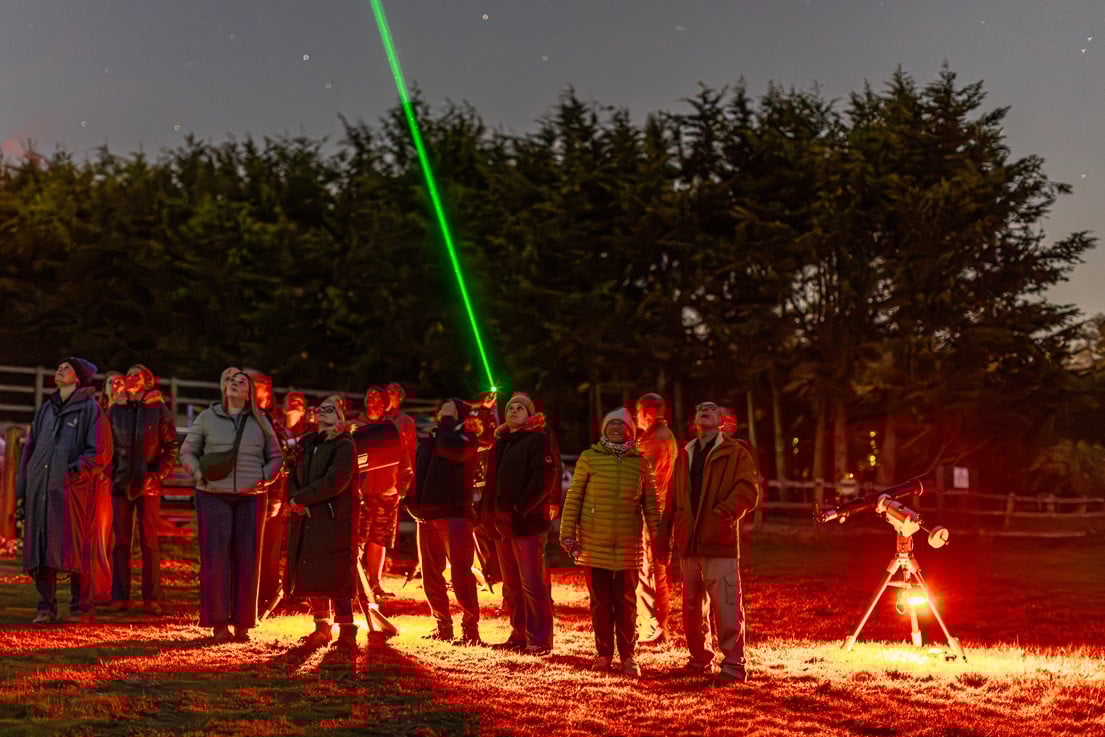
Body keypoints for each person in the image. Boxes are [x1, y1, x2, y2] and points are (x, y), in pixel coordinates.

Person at [657, 400, 760, 683]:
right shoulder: (684, 456)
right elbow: (672, 500)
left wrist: (722, 514)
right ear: (694, 421)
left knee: (726, 606)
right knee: (692, 608)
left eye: (712, 409)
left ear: (721, 421)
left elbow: (748, 491)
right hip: (688, 544)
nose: (704, 410)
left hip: (720, 542)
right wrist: (665, 536)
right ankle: (699, 659)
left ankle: (734, 665)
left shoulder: (735, 453)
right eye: (700, 408)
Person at [180, 370, 282, 641]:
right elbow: (187, 451)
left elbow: (276, 456)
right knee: (215, 559)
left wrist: (263, 477)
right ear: (223, 387)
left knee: (248, 559)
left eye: (242, 383)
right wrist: (197, 473)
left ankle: (244, 622)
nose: (236, 385)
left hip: (251, 497)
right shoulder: (207, 417)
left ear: (250, 392)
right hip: (213, 494)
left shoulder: (260, 421)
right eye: (231, 381)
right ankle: (218, 622)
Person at [560, 408, 659, 677]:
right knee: (600, 602)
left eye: (622, 425)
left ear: (631, 430)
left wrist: (660, 539)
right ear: (603, 429)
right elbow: (574, 498)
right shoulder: (589, 459)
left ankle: (628, 656)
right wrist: (567, 532)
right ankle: (603, 654)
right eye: (611, 424)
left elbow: (651, 505)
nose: (616, 428)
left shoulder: (640, 463)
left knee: (627, 603)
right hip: (594, 545)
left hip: (628, 546)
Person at [16, 357, 113, 624]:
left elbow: (100, 453)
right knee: (41, 546)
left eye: (66, 368)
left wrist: (73, 472)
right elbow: (30, 449)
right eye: (58, 366)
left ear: (79, 377)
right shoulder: (46, 408)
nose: (59, 369)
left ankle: (81, 608)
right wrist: (24, 486)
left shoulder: (90, 410)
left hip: (73, 492)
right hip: (41, 489)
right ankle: (45, 607)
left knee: (77, 548)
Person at [480, 392, 560, 655]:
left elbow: (543, 480)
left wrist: (521, 509)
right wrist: (487, 515)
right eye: (510, 407)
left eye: (520, 408)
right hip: (502, 524)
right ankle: (518, 633)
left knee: (532, 583)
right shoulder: (500, 443)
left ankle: (539, 638)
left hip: (526, 524)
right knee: (512, 584)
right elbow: (490, 485)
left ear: (529, 415)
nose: (513, 411)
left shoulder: (538, 440)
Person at [405, 398, 482, 645]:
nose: (442, 411)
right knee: (431, 575)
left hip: (455, 513)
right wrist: (412, 504)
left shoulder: (467, 437)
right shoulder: (433, 438)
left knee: (461, 573)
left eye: (448, 409)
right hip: (427, 514)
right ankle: (442, 625)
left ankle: (470, 630)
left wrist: (449, 421)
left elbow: (452, 449)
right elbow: (420, 471)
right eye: (442, 409)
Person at [285, 395, 359, 650]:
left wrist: (302, 499)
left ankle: (347, 629)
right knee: (311, 569)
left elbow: (336, 481)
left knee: (336, 572)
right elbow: (292, 472)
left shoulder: (344, 445)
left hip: (332, 516)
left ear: (340, 416)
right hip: (305, 515)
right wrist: (294, 497)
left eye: (331, 409)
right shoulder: (306, 444)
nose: (323, 412)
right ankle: (321, 625)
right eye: (321, 408)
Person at [107, 364, 178, 615]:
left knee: (149, 542)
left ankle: (151, 598)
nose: (130, 378)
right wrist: (111, 473)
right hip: (120, 482)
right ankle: (120, 596)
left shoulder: (158, 410)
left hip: (148, 484)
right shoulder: (115, 410)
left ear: (147, 381)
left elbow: (171, 446)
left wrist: (158, 474)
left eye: (137, 375)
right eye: (128, 374)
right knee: (121, 542)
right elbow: (106, 446)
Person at [353, 385, 412, 599]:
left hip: (387, 494)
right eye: (369, 396)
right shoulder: (355, 427)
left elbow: (404, 460)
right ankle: (355, 584)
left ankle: (374, 584)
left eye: (378, 398)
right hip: (360, 494)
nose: (373, 401)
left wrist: (401, 489)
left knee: (379, 539)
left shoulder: (391, 429)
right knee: (357, 539)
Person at [634, 392, 678, 644]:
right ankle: (657, 626)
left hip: (652, 515)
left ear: (647, 412)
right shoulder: (664, 436)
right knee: (656, 572)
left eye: (639, 412)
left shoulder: (654, 441)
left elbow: (641, 478)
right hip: (659, 513)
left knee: (650, 572)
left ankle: (655, 628)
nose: (637, 417)